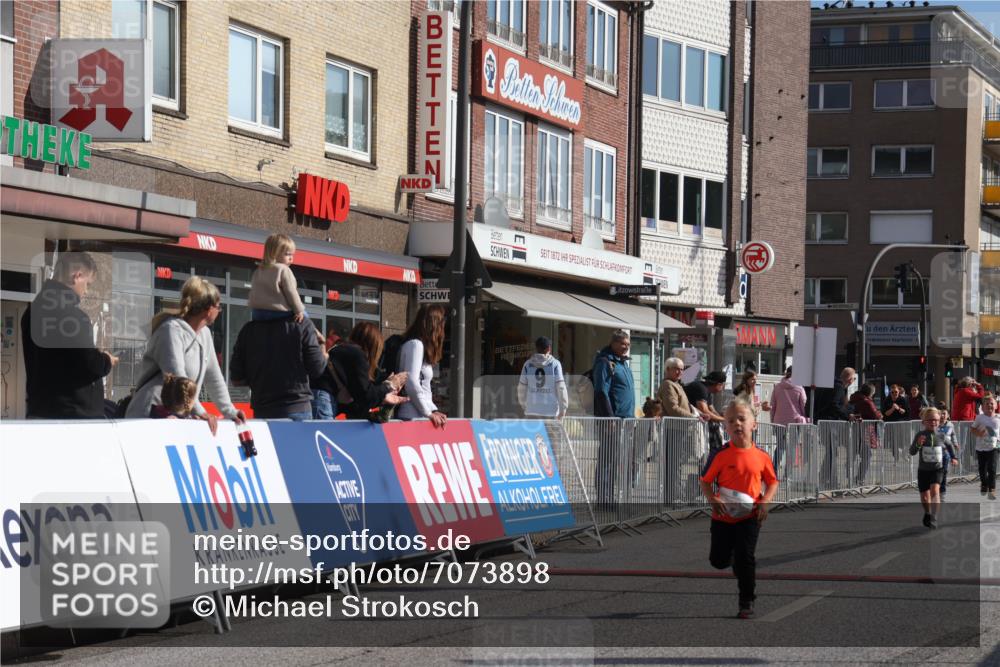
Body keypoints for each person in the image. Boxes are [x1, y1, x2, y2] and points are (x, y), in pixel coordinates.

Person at [126, 277, 243, 434]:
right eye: (218, 306)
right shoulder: (171, 330)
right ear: (209, 310)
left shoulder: (205, 334)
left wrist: (231, 411)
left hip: (176, 416)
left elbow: (214, 378)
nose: (219, 310)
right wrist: (200, 412)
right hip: (152, 413)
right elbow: (177, 378)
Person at [700, 399, 779, 620]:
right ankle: (732, 559)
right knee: (718, 561)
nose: (737, 424)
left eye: (742, 419)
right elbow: (705, 481)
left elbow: (772, 482)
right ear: (725, 426)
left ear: (754, 424)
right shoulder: (720, 454)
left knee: (746, 557)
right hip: (723, 516)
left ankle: (747, 601)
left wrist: (765, 502)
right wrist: (713, 499)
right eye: (731, 420)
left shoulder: (762, 456)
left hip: (750, 515)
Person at [21, 252, 118, 418]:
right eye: (87, 284)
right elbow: (89, 364)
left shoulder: (31, 312)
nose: (86, 291)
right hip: (72, 416)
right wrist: (107, 360)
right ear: (77, 276)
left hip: (39, 410)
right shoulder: (72, 317)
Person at [230, 315, 327, 421]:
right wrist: (322, 344)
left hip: (263, 410)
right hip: (296, 408)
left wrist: (258, 379)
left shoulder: (248, 330)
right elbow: (317, 369)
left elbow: (236, 379)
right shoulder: (302, 325)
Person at [327, 322, 408, 420]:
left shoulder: (343, 350)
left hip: (324, 399)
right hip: (325, 401)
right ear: (373, 347)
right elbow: (366, 396)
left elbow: (358, 401)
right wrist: (389, 385)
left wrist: (382, 398)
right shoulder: (357, 354)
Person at [592, 330, 636, 507]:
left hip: (625, 420)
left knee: (616, 459)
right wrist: (610, 418)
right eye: (623, 344)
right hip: (612, 420)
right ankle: (604, 499)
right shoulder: (605, 362)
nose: (626, 347)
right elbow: (601, 392)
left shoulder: (623, 363)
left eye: (628, 344)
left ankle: (611, 497)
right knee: (607, 460)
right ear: (614, 343)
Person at [396, 304, 448, 428]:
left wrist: (432, 410)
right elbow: (411, 382)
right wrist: (428, 412)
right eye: (442, 321)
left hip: (417, 414)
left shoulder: (418, 346)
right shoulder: (416, 345)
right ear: (434, 324)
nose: (443, 326)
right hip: (411, 415)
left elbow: (422, 386)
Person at [909, 407, 958, 528]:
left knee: (935, 490)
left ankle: (934, 517)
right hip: (923, 470)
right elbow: (912, 452)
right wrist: (918, 444)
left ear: (939, 421)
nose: (933, 422)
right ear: (923, 421)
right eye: (930, 420)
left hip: (938, 468)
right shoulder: (920, 435)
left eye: (936, 420)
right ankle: (927, 513)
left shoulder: (941, 435)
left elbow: (950, 445)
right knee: (925, 496)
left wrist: (954, 457)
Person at [248, 233, 306, 323]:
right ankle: (317, 335)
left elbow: (254, 292)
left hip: (257, 313)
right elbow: (291, 293)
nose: (291, 258)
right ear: (275, 253)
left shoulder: (258, 271)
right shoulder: (283, 269)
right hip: (278, 312)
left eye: (292, 255)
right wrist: (299, 310)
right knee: (305, 315)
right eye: (287, 254)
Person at [517, 336, 569, 419]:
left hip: (531, 410)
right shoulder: (555, 364)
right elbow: (561, 388)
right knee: (549, 432)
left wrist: (524, 405)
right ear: (549, 349)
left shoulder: (527, 365)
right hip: (550, 412)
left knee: (532, 432)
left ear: (536, 349)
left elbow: (521, 388)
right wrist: (563, 409)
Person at [849, 383, 882, 486]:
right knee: (867, 455)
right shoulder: (867, 402)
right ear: (871, 393)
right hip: (864, 432)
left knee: (853, 455)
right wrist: (880, 414)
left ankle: (852, 478)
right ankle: (859, 479)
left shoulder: (853, 399)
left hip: (854, 430)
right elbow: (876, 415)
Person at [687, 371, 727, 453]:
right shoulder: (701, 388)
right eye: (723, 385)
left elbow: (712, 410)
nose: (722, 388)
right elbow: (704, 411)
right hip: (685, 423)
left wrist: (722, 419)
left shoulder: (707, 391)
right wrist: (724, 420)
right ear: (719, 384)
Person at [971, 393, 1000, 500]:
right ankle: (984, 483)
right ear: (982, 407)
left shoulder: (998, 418)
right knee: (982, 468)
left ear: (996, 406)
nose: (989, 406)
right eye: (987, 404)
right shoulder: (979, 417)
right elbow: (972, 429)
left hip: (994, 447)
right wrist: (979, 433)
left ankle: (992, 489)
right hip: (981, 447)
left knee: (992, 468)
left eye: (992, 404)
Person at [935, 402, 957, 501]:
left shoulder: (950, 425)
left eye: (944, 413)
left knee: (943, 473)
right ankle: (935, 491)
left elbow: (953, 435)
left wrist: (955, 443)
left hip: (946, 453)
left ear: (948, 415)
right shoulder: (934, 425)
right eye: (940, 413)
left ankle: (942, 493)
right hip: (934, 453)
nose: (942, 416)